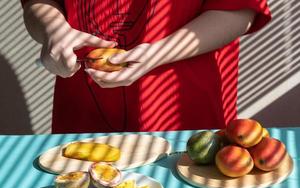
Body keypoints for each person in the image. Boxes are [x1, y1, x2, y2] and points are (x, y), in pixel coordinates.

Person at [21, 0, 271, 133]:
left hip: (184, 120)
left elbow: (238, 10)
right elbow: (37, 2)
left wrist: (157, 54)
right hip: (83, 118)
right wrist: (53, 29)